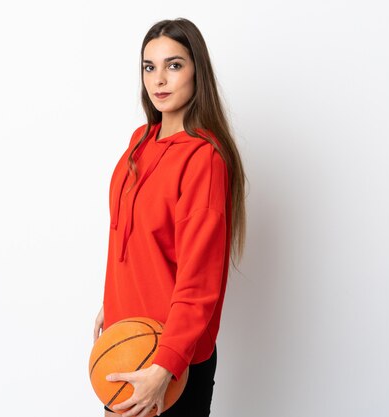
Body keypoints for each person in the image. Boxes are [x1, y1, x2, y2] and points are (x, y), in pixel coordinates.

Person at [93, 17, 246, 417]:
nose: (159, 79)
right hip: (127, 342)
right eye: (150, 66)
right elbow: (135, 245)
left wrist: (165, 365)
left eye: (174, 65)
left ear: (198, 72)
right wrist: (114, 303)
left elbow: (200, 280)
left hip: (170, 360)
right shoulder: (138, 144)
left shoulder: (204, 159)